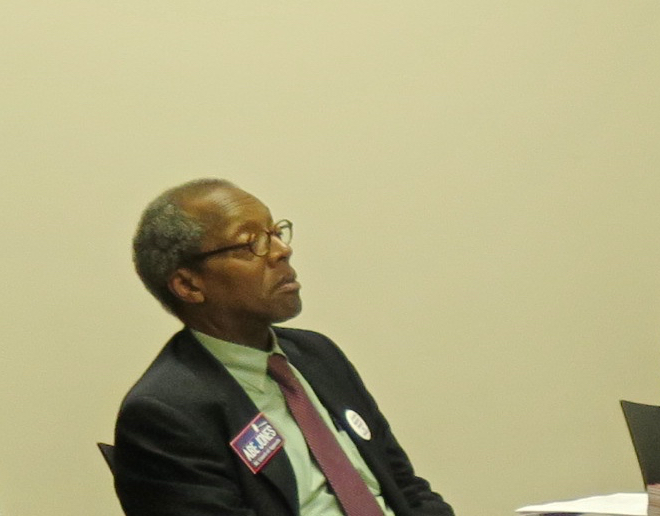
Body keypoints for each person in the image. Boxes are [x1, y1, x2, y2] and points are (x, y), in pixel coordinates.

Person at [109, 179, 452, 516]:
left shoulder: (317, 354)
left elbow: (404, 487)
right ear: (188, 284)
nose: (281, 250)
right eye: (250, 243)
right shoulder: (166, 413)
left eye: (275, 232)